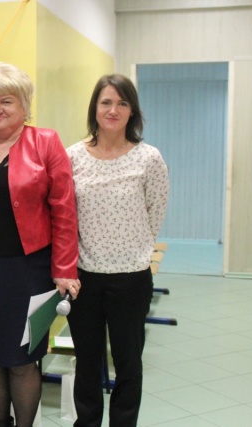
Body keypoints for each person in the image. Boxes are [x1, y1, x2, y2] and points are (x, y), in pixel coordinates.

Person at [0, 62, 80, 427]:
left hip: (30, 271)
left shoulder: (46, 142)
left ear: (24, 105)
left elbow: (64, 210)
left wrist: (65, 269)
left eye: (6, 101)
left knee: (24, 360)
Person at [66, 74, 169, 427]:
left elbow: (155, 212)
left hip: (131, 278)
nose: (113, 110)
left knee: (128, 363)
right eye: (106, 102)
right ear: (94, 108)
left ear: (132, 111)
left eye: (122, 103)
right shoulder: (72, 156)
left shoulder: (149, 158)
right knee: (87, 361)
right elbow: (64, 215)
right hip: (84, 278)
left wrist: (132, 249)